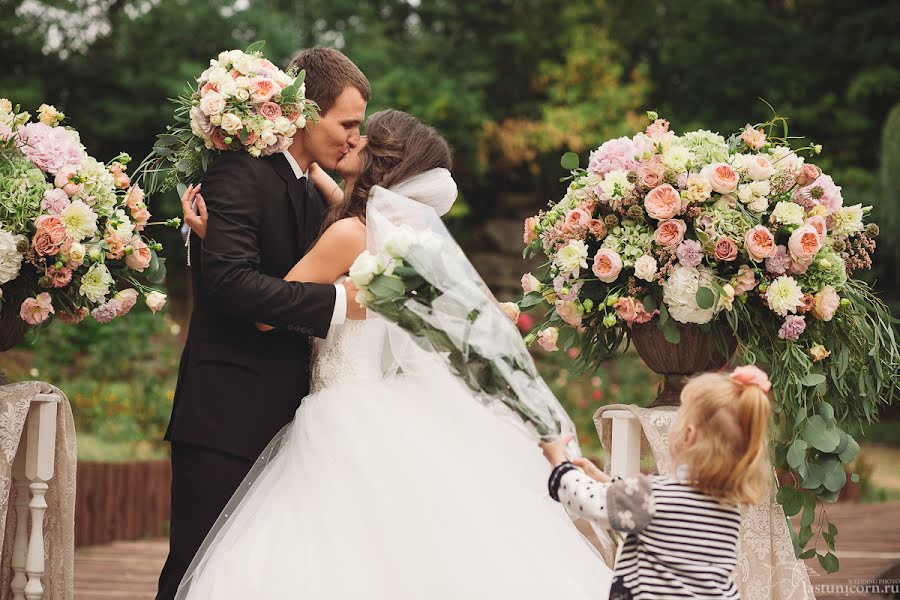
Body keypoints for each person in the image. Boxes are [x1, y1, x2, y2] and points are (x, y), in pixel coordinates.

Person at [176, 109, 613, 599]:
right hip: (384, 400)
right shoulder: (406, 237)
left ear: (382, 161)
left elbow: (266, 307)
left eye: (364, 137)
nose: (352, 141)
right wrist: (314, 170)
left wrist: (222, 245)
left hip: (337, 408)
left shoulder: (350, 234)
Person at [156, 48, 370, 600]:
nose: (354, 137)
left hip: (286, 420)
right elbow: (230, 286)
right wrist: (337, 302)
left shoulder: (301, 184)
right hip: (226, 416)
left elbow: (275, 271)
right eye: (347, 123)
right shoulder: (239, 173)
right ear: (306, 111)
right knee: (195, 571)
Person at [540, 365, 774, 600]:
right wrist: (602, 479)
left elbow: (590, 502)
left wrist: (560, 463)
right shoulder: (727, 506)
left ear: (688, 435)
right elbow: (637, 504)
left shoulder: (652, 496)